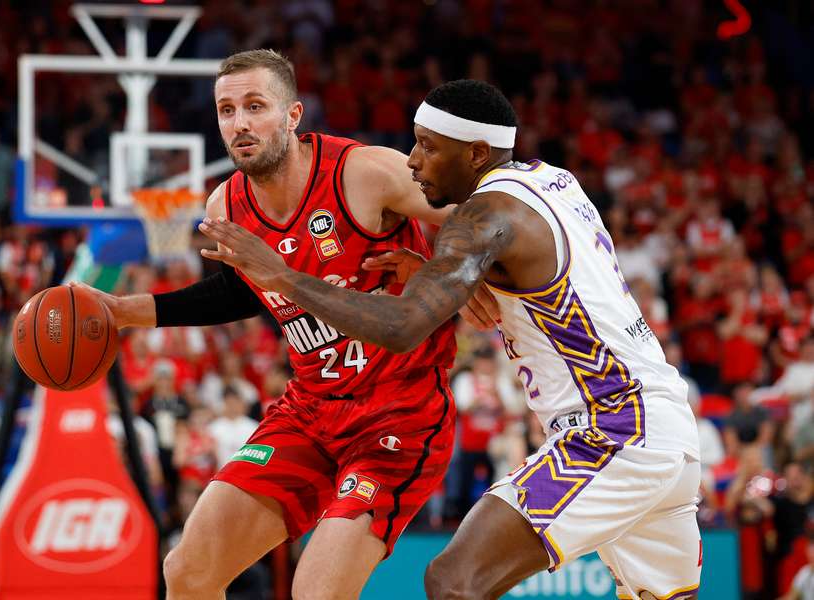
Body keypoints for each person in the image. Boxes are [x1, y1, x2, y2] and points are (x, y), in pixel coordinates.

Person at [204, 79, 702, 600]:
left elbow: (401, 328)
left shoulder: (481, 218)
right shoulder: (552, 180)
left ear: (476, 153)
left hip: (613, 428)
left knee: (453, 583)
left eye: (428, 146)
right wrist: (444, 276)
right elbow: (539, 274)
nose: (413, 161)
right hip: (663, 421)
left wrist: (282, 276)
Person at [78, 50, 493, 599]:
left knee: (315, 593)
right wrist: (134, 311)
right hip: (309, 412)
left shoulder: (362, 172)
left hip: (400, 413)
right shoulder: (226, 204)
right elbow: (239, 288)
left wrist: (454, 273)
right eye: (226, 111)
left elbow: (487, 212)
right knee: (187, 571)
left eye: (255, 106)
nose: (240, 123)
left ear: (293, 116)